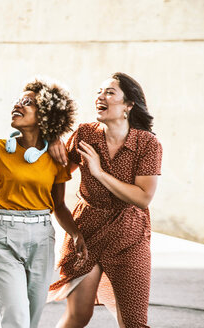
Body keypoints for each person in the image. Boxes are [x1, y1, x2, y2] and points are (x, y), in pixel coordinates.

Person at [0, 78, 88, 328]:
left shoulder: (55, 157)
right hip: (3, 238)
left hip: (42, 239)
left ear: (46, 116)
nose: (17, 105)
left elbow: (59, 205)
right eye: (17, 101)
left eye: (27, 102)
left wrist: (75, 234)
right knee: (16, 321)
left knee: (31, 320)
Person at [49, 73, 162, 328]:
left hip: (129, 236)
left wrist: (99, 172)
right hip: (85, 233)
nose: (101, 96)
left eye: (110, 92)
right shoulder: (85, 133)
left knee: (134, 323)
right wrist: (53, 141)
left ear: (129, 105)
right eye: (99, 91)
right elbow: (58, 175)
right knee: (78, 316)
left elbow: (143, 197)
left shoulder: (147, 144)